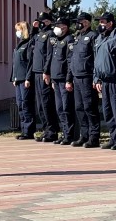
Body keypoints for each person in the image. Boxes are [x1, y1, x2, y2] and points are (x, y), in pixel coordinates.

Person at [93, 12, 116, 150]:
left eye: (103, 22)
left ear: (110, 23)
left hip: (114, 79)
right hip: (103, 81)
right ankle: (113, 138)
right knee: (107, 111)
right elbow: (96, 60)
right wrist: (96, 78)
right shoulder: (99, 38)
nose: (100, 24)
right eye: (100, 22)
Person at [68, 11, 101, 147]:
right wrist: (69, 78)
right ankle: (84, 135)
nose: (77, 24)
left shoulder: (93, 36)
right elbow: (72, 59)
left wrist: (95, 77)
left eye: (79, 22)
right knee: (79, 107)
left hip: (87, 77)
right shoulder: (78, 37)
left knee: (89, 107)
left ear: (86, 22)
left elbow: (96, 58)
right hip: (76, 77)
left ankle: (94, 136)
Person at [46, 17, 79, 145]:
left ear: (65, 27)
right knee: (59, 108)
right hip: (56, 79)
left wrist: (68, 80)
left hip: (64, 79)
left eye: (59, 26)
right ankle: (64, 133)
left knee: (66, 108)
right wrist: (52, 79)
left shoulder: (69, 40)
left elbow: (69, 62)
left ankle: (69, 135)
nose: (56, 28)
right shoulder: (58, 40)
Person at [30, 11, 59, 142]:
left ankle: (52, 131)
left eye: (43, 21)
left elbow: (49, 54)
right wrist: (34, 29)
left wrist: (46, 71)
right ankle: (46, 129)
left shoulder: (50, 34)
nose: (41, 23)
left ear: (48, 22)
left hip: (43, 73)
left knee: (47, 103)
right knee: (40, 104)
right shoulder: (38, 35)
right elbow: (31, 44)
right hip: (36, 72)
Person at [11, 21, 36, 140]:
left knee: (26, 104)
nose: (17, 32)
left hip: (25, 79)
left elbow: (30, 62)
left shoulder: (29, 43)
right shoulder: (19, 45)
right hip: (18, 79)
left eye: (19, 30)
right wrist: (14, 77)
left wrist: (28, 78)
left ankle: (29, 131)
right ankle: (23, 129)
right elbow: (15, 63)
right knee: (20, 104)